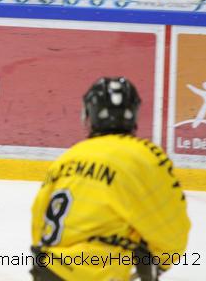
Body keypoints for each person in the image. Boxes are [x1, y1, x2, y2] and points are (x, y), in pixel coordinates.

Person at [30, 77, 190, 281]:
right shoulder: (145, 155)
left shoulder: (69, 156)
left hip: (48, 269)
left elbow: (38, 215)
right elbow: (171, 226)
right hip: (101, 274)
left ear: (89, 114)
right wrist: (159, 261)